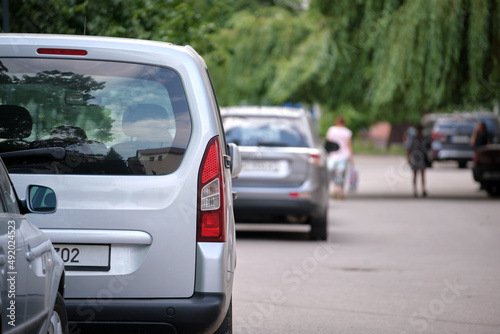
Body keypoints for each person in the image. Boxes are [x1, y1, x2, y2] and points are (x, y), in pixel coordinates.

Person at [326, 116, 354, 199]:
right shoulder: (347, 132)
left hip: (333, 155)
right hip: (344, 155)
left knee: (333, 172)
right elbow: (348, 145)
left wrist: (327, 153)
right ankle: (341, 191)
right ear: (343, 122)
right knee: (342, 173)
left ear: (336, 122)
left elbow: (328, 142)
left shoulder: (331, 130)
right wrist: (351, 157)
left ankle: (335, 189)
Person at [408, 124, 430, 197]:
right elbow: (409, 149)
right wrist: (408, 158)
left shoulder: (425, 139)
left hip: (422, 158)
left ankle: (423, 189)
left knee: (423, 175)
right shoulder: (414, 139)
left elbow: (429, 147)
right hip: (415, 159)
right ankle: (415, 191)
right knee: (415, 175)